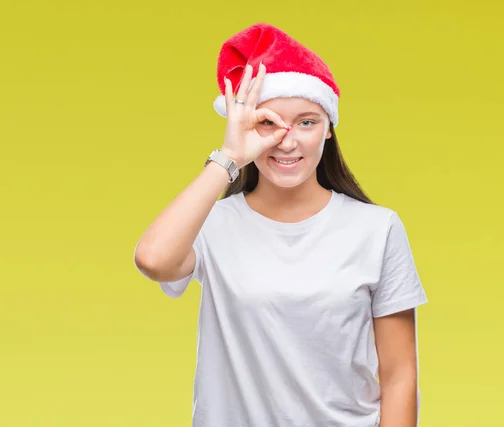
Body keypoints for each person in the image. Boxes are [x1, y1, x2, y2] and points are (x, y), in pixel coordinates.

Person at [134, 22, 428, 427]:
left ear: (329, 130)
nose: (287, 142)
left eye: (307, 122)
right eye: (268, 123)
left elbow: (399, 377)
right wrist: (229, 157)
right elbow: (153, 259)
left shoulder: (377, 230)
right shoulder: (213, 222)